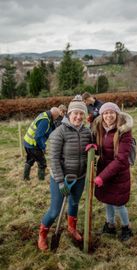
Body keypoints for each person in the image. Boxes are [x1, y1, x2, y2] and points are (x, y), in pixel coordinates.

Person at [38, 101, 92, 251]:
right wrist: (61, 183)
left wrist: (93, 148)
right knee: (55, 210)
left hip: (79, 177)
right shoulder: (59, 132)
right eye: (76, 113)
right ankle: (42, 235)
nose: (78, 116)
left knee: (74, 204)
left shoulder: (87, 132)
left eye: (82, 113)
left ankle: (71, 228)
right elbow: (54, 159)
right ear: (69, 114)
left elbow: (93, 150)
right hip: (60, 179)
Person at [92, 102, 134, 241]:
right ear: (102, 115)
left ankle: (126, 227)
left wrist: (102, 177)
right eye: (105, 113)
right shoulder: (101, 128)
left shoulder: (124, 131)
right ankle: (109, 225)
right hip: (105, 170)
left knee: (119, 203)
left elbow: (121, 159)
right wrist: (93, 147)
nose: (108, 115)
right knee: (107, 200)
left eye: (111, 112)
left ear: (117, 114)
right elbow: (104, 149)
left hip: (118, 173)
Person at [23, 107, 60, 181]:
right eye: (57, 117)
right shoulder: (45, 121)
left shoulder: (44, 115)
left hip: (27, 142)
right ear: (55, 115)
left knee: (30, 160)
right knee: (42, 163)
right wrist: (43, 147)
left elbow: (49, 128)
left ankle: (25, 178)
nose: (57, 119)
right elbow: (38, 136)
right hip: (33, 144)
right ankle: (41, 180)